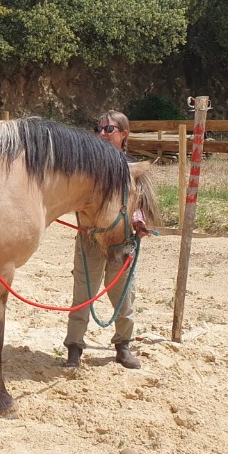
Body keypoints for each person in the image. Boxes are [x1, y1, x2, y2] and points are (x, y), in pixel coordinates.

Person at [63, 110, 149, 369]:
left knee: (123, 295)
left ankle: (123, 346)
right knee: (82, 295)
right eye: (99, 128)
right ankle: (74, 349)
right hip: (89, 239)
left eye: (109, 129)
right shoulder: (87, 167)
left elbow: (139, 203)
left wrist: (140, 222)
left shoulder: (134, 168)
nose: (102, 133)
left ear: (124, 134)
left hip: (121, 242)